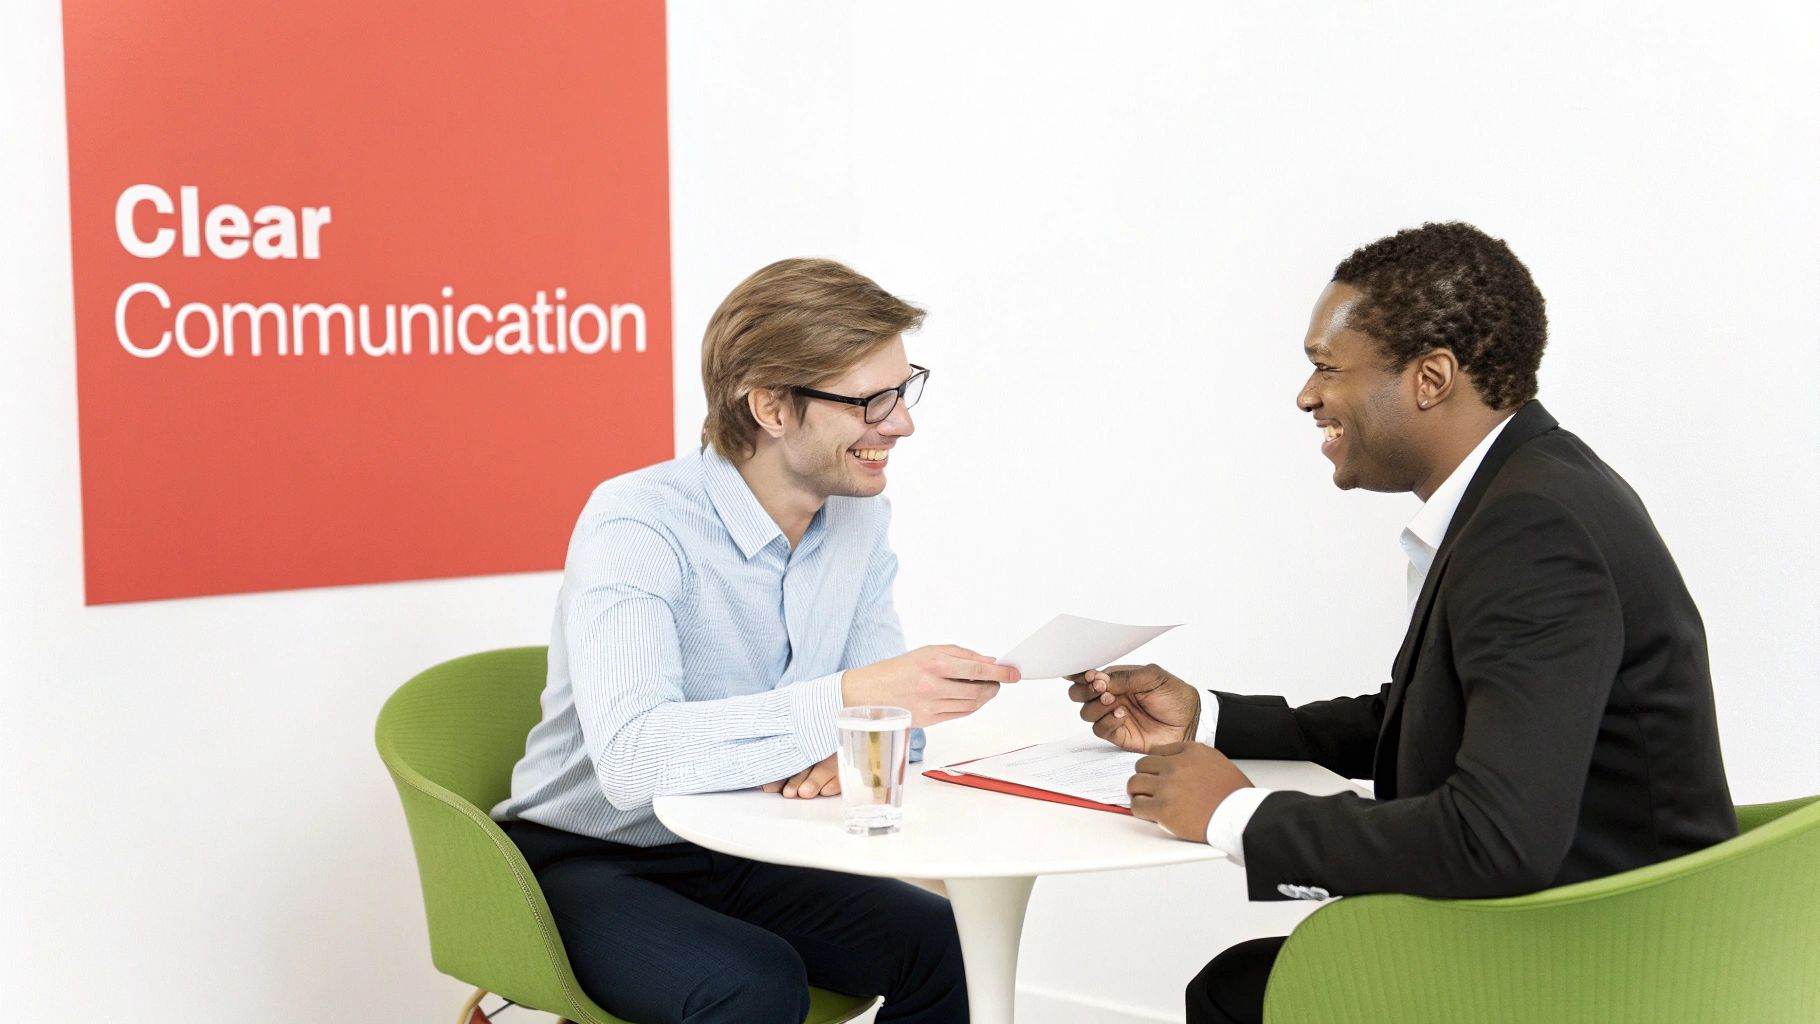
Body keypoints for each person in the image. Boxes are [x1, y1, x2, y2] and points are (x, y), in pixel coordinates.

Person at [1067, 223, 1736, 1024]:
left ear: (1430, 378)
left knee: (1240, 991)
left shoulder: (1533, 530)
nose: (1306, 395)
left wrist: (1236, 814)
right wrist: (1210, 719)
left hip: (1603, 962)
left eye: (1326, 367)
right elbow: (1425, 720)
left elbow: (1497, 837)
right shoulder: (1529, 489)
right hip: (1594, 921)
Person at [494, 257, 1018, 1024]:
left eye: (903, 391)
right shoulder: (638, 522)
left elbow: (886, 733)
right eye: (871, 400)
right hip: (590, 856)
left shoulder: (858, 520)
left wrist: (860, 737)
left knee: (945, 944)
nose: (901, 423)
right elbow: (634, 761)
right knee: (754, 981)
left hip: (747, 839)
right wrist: (851, 702)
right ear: (772, 408)